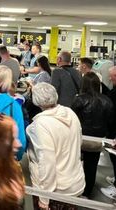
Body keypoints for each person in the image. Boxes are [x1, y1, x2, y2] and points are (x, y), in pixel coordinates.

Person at [27, 82, 85, 210]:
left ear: (36, 101)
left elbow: (47, 161)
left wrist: (44, 197)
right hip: (75, 183)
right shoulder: (69, 112)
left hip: (56, 191)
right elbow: (78, 142)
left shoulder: (41, 124)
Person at [71, 72, 113, 197]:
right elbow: (110, 121)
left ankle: (74, 189)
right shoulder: (107, 100)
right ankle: (87, 192)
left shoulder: (79, 99)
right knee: (91, 167)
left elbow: (72, 118)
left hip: (79, 138)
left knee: (74, 163)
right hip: (97, 140)